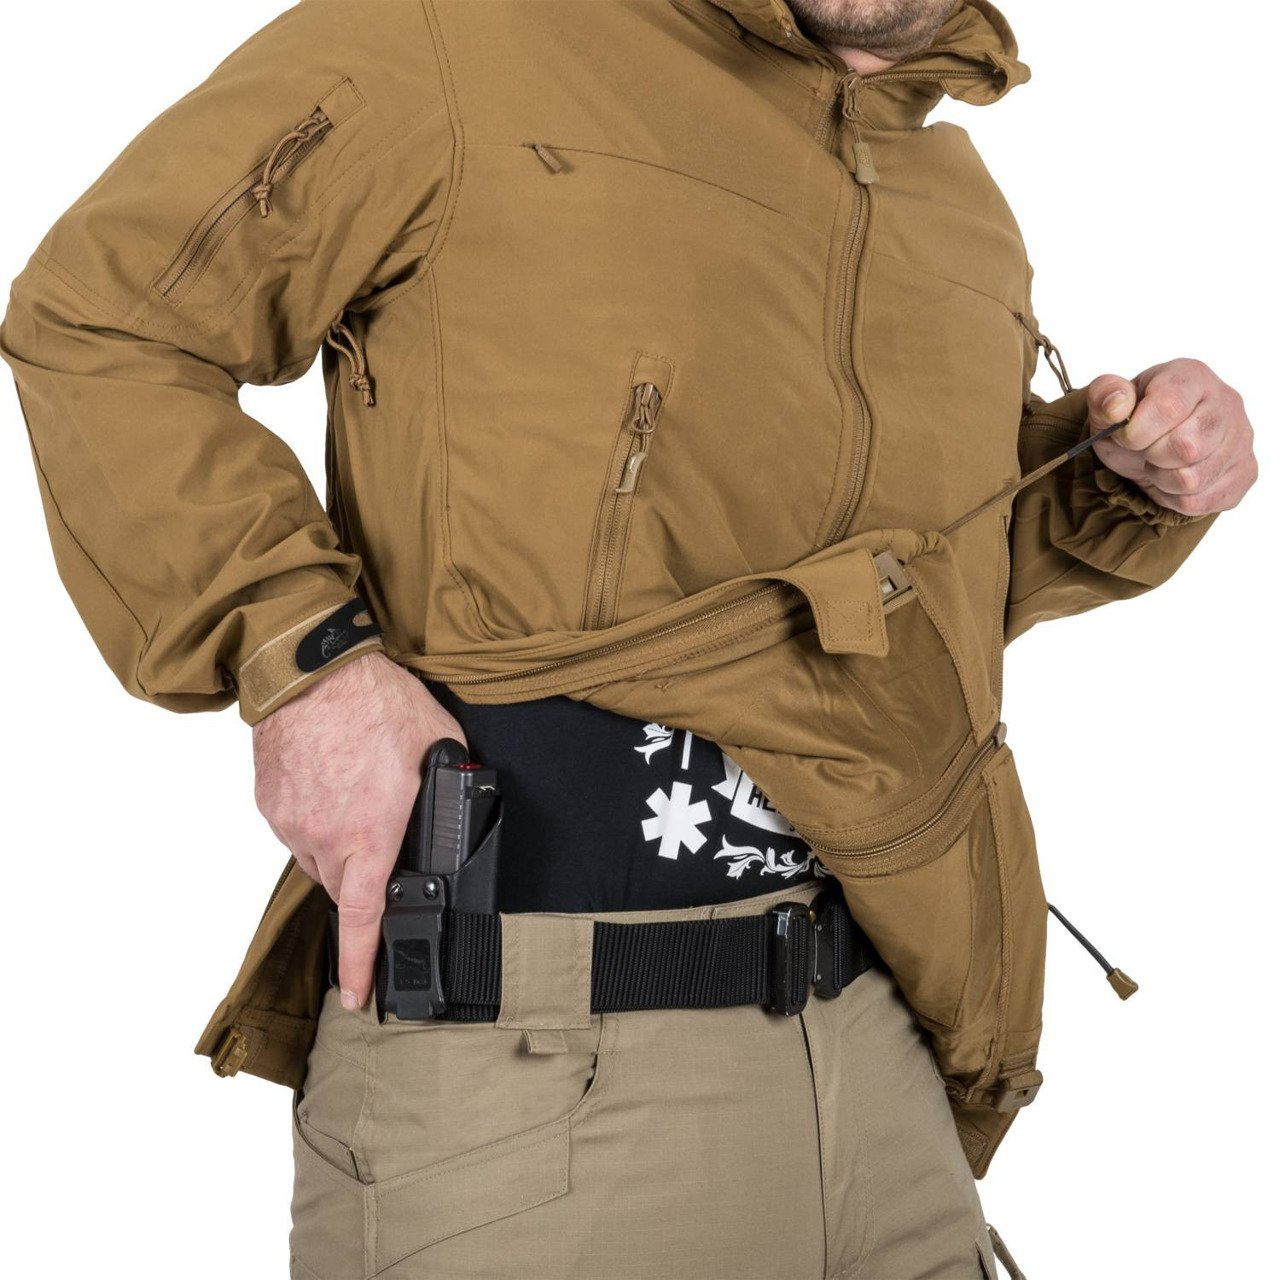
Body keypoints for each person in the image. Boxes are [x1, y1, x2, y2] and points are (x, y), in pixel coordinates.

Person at [0, 1, 1257, 1276]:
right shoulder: (460, 38)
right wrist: (300, 659)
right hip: (529, 1064)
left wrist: (1128, 482)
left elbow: (908, 601)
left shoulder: (955, 201)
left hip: (881, 1068)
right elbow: (104, 318)